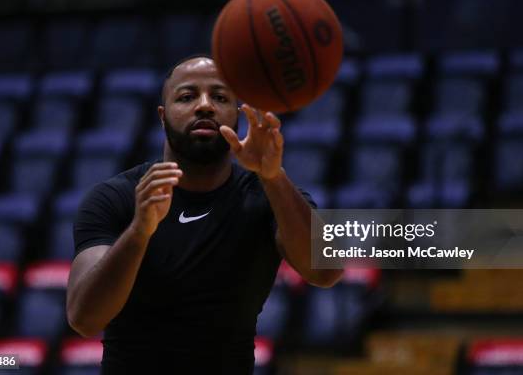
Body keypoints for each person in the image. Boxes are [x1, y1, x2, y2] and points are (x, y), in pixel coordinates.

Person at [66, 55, 343, 373]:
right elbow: (84, 319)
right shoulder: (116, 198)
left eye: (220, 97)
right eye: (187, 97)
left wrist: (273, 176)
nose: (205, 106)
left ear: (237, 115)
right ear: (163, 116)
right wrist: (139, 232)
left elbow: (327, 271)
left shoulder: (269, 194)